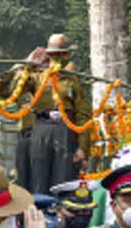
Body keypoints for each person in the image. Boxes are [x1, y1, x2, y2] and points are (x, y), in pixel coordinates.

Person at [16, 34, 91, 194]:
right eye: (53, 54)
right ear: (48, 55)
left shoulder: (72, 80)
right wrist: (26, 66)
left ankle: (61, 216)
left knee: (63, 180)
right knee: (38, 180)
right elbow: (11, 91)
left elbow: (83, 115)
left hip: (65, 131)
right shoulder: (37, 77)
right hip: (41, 129)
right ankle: (39, 216)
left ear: (67, 55)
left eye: (61, 54)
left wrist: (83, 148)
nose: (57, 58)